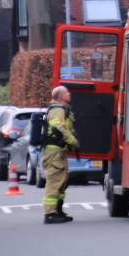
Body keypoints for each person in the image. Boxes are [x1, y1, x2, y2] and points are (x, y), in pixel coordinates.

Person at [42, 85, 79, 224]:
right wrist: (72, 140)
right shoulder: (57, 109)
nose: (69, 94)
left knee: (62, 181)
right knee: (54, 181)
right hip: (54, 151)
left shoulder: (63, 109)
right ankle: (50, 214)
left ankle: (58, 210)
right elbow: (59, 127)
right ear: (61, 96)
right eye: (67, 93)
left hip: (60, 151)